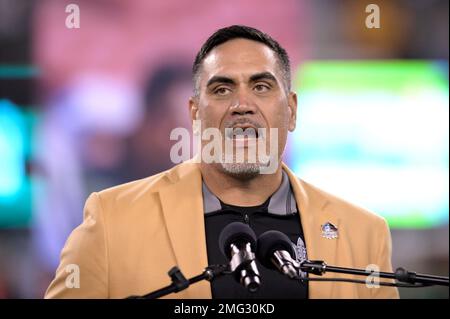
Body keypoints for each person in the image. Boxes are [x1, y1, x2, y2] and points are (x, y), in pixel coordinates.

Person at [45, 25, 399, 299]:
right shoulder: (111, 221)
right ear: (195, 115)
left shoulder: (363, 234)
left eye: (261, 86)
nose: (241, 105)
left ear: (291, 111)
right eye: (222, 89)